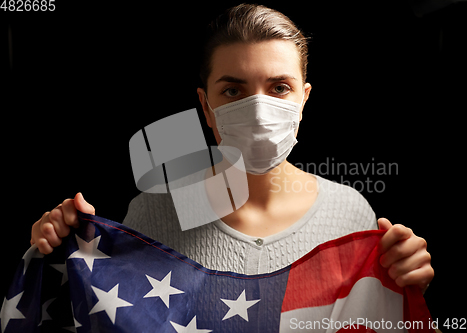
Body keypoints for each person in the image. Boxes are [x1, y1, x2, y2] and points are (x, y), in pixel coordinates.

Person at [30, 4, 433, 293]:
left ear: (304, 100)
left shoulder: (350, 214)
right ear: (206, 107)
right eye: (233, 90)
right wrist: (59, 248)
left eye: (279, 88)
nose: (258, 111)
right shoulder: (154, 214)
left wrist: (406, 285)